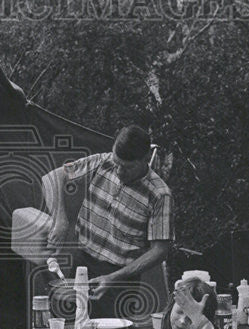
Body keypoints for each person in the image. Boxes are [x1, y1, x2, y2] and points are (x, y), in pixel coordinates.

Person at [44, 125, 172, 316]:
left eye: (127, 167)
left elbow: (160, 250)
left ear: (145, 160)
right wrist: (60, 219)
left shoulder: (159, 195)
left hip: (121, 279)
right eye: (116, 162)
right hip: (83, 265)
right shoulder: (103, 162)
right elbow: (52, 178)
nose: (119, 171)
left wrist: (114, 277)